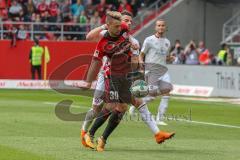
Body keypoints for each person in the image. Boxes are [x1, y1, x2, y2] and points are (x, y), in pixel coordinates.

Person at [81, 11, 174, 151]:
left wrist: (137, 71)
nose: (128, 24)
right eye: (126, 21)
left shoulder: (133, 40)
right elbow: (89, 37)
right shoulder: (106, 37)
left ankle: (157, 134)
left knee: (133, 104)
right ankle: (86, 133)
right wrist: (104, 26)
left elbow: (135, 63)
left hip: (124, 77)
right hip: (106, 75)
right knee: (98, 108)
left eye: (130, 21)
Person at [130, 20, 175, 126]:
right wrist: (141, 62)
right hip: (151, 70)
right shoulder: (149, 40)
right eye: (159, 25)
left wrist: (170, 58)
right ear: (155, 27)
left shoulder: (167, 42)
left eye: (163, 25)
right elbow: (141, 54)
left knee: (167, 92)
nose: (161, 27)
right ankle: (135, 104)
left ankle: (159, 119)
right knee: (152, 95)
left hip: (163, 71)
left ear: (165, 27)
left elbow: (165, 57)